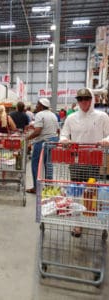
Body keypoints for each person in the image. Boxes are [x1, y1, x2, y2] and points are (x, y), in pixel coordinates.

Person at [60, 87, 109, 237]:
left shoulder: (102, 116)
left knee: (94, 191)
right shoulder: (71, 117)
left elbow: (108, 135)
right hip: (76, 159)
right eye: (80, 99)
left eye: (86, 99)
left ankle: (96, 221)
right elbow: (63, 134)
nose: (83, 102)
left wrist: (105, 141)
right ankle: (78, 224)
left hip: (94, 159)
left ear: (92, 99)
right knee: (76, 191)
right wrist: (64, 141)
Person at [26, 98, 60, 194]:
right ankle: (49, 187)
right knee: (48, 164)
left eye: (37, 104)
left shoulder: (39, 114)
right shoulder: (53, 114)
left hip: (42, 142)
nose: (36, 106)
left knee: (35, 164)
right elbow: (58, 130)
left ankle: (36, 187)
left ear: (41, 105)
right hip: (53, 142)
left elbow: (38, 131)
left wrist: (27, 138)